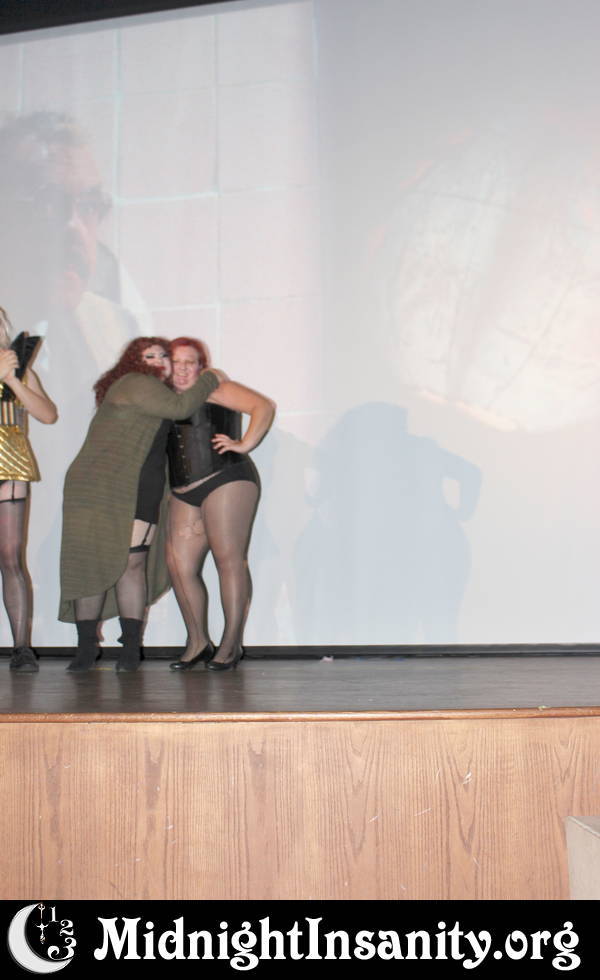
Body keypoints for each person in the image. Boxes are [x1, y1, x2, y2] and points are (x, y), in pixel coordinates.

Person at [59, 337, 223, 673]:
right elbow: (181, 408)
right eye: (150, 355)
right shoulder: (134, 382)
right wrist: (211, 377)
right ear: (133, 361)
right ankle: (87, 648)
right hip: (97, 488)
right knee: (91, 564)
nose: (160, 360)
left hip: (140, 487)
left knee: (133, 564)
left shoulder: (160, 392)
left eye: (164, 355)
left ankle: (131, 648)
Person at [166, 338, 275, 672]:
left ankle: (230, 645)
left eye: (190, 362)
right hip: (183, 488)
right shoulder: (162, 397)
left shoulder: (213, 387)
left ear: (201, 366)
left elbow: (263, 406)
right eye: (176, 361)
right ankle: (198, 642)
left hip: (226, 478)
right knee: (179, 567)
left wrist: (245, 443)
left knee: (228, 561)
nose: (182, 368)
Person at [0, 307, 57, 671]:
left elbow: (48, 415)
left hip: (10, 466)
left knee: (11, 557)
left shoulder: (21, 369)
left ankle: (22, 647)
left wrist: (13, 380)